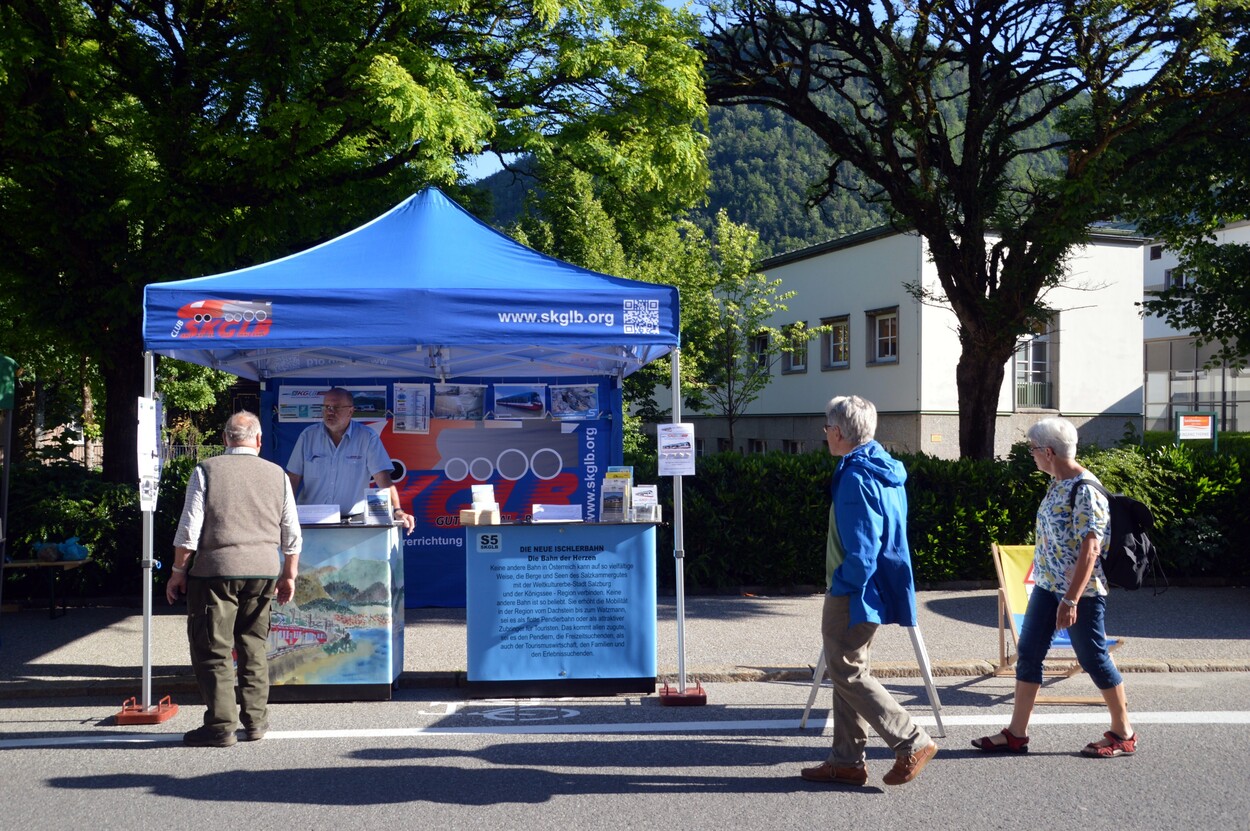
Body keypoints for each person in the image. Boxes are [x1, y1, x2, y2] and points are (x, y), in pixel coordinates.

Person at [972, 416, 1138, 758]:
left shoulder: (1085, 489)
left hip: (1081, 594)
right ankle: (1016, 734)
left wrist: (1071, 600)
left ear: (1048, 452)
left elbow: (1091, 550)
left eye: (1032, 449)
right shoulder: (1057, 483)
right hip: (1047, 588)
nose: (1031, 455)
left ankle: (1124, 733)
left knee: (1093, 658)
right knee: (1029, 654)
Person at [800, 395, 938, 787]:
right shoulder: (883, 468)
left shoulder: (855, 477)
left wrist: (841, 585)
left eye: (827, 428)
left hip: (854, 591)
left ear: (838, 432)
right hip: (875, 589)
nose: (826, 434)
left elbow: (862, 553)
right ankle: (846, 761)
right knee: (848, 671)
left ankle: (911, 739)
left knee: (847, 671)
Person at [166, 411, 302, 747]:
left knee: (214, 649)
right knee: (254, 647)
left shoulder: (206, 470)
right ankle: (256, 722)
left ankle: (220, 726)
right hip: (263, 571)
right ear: (259, 440)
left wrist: (178, 571)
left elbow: (189, 530)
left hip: (215, 572)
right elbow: (291, 531)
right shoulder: (277, 475)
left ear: (226, 438)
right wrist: (289, 574)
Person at [286, 387, 415, 532]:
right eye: (326, 407)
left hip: (351, 522)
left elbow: (383, 478)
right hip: (311, 521)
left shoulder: (367, 437)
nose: (330, 412)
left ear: (350, 411)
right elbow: (293, 478)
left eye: (336, 407)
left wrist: (397, 510)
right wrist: (284, 513)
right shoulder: (308, 436)